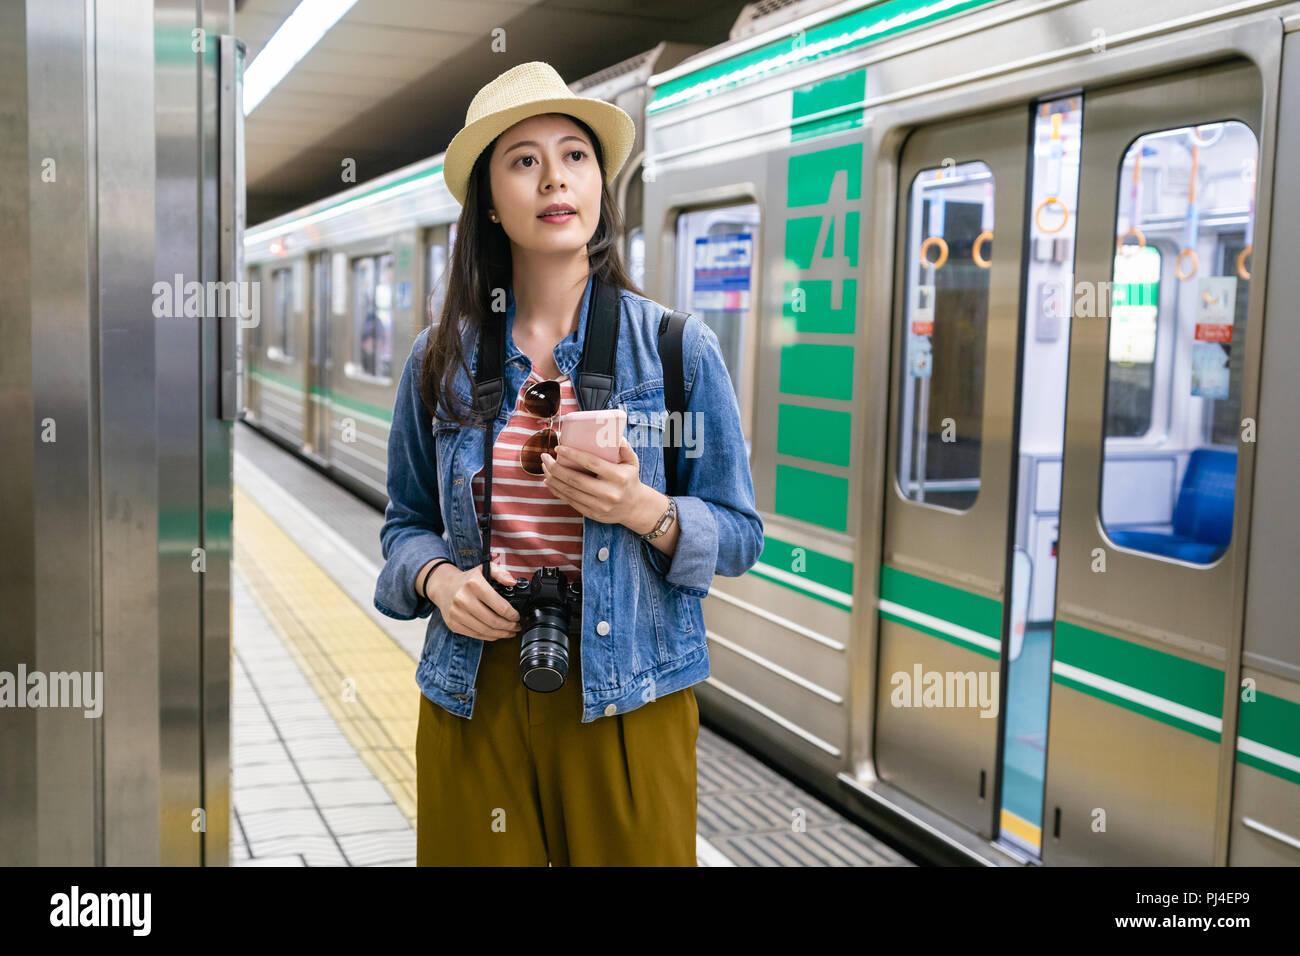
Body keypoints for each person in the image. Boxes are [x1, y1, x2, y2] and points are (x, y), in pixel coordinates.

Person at [372, 61, 763, 866]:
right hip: (472, 689)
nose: (556, 177)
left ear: (599, 185)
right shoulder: (438, 361)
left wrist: (643, 510)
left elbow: (741, 534)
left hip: (630, 697)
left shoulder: (676, 349)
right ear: (489, 199)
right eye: (524, 159)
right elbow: (406, 524)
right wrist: (439, 582)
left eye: (575, 155)